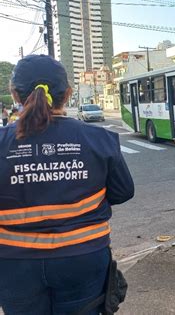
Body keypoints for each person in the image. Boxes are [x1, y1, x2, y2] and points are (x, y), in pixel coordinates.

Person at [0, 55, 134, 314]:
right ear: (69, 93)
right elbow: (123, 191)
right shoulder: (99, 138)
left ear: (15, 95)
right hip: (83, 258)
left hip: (14, 264)